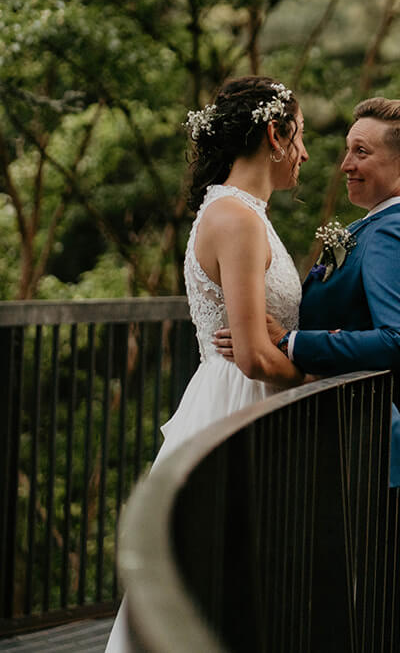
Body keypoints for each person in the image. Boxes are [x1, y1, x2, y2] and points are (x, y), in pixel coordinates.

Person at [104, 75, 309, 653]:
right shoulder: (236, 219)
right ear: (274, 134)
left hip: (243, 400)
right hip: (241, 404)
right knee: (229, 571)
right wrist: (316, 373)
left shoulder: (238, 212)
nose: (305, 154)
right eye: (299, 137)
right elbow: (250, 355)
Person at [215, 96, 400, 486]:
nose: (346, 165)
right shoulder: (377, 227)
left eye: (361, 152)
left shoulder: (395, 233)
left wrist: (289, 342)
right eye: (347, 150)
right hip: (343, 435)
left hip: (360, 445)